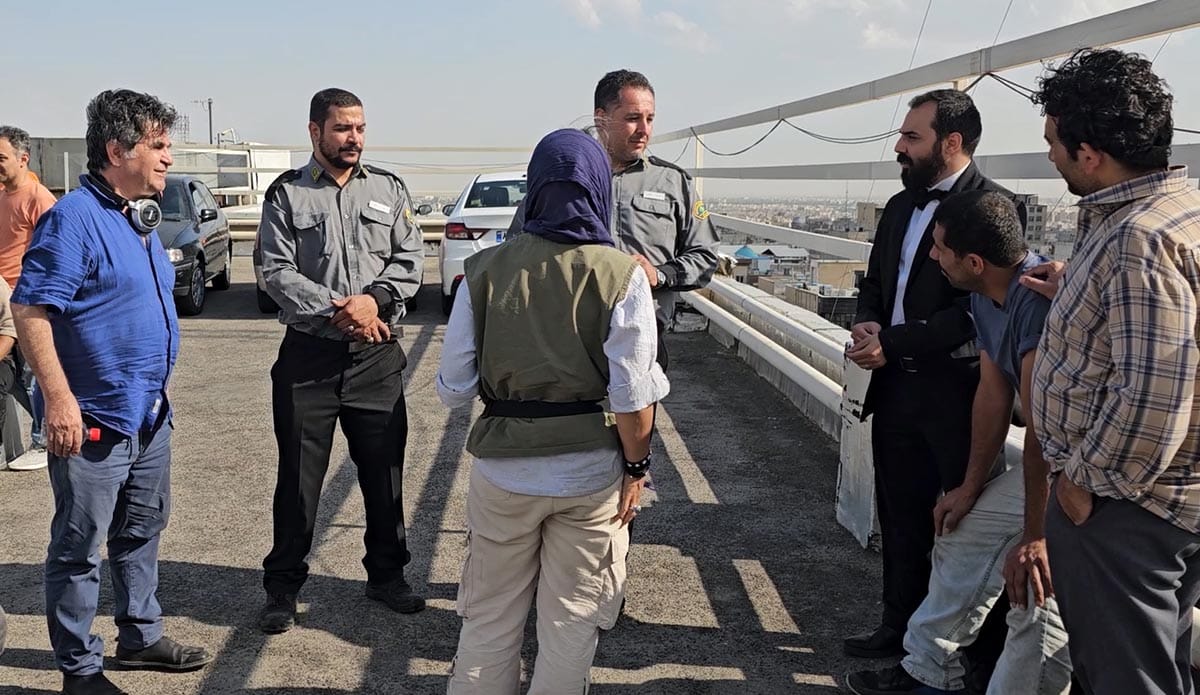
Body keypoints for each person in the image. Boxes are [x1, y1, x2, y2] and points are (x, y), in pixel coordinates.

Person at [438, 128, 669, 693]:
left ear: (534, 189)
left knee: (489, 617)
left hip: (504, 472)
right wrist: (636, 470)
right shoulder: (622, 275)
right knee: (571, 622)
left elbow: (453, 388)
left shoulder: (482, 270)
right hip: (590, 472)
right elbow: (633, 399)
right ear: (599, 188)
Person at [11, 89, 212, 695]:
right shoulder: (73, 219)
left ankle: (140, 636)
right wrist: (59, 401)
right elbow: (31, 310)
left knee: (141, 530)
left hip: (148, 415)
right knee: (80, 546)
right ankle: (80, 671)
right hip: (93, 418)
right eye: (158, 145)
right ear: (117, 149)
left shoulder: (137, 217)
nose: (168, 157)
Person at [847, 191, 1070, 695]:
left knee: (1039, 591)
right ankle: (930, 673)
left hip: (1087, 475)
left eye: (940, 248)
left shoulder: (1036, 304)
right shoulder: (987, 296)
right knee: (959, 529)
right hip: (1057, 466)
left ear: (974, 262)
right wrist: (969, 488)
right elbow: (993, 394)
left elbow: (1044, 433)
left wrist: (1035, 535)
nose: (932, 256)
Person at [1031, 47, 1200, 695]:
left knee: (1127, 679)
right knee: (1159, 663)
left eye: (1054, 143)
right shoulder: (1180, 211)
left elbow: (1155, 395)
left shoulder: (1138, 238)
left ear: (1089, 153)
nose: (1050, 156)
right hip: (1167, 500)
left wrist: (1083, 485)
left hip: (1125, 510)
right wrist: (1079, 290)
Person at [845, 89, 1024, 662]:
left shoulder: (995, 206)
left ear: (951, 142)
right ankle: (897, 629)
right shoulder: (901, 204)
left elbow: (975, 310)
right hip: (894, 387)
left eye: (911, 137)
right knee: (900, 516)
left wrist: (892, 342)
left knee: (966, 528)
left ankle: (969, 656)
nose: (899, 147)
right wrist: (868, 322)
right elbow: (876, 281)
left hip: (959, 395)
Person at [256, 87, 425, 633]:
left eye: (360, 128)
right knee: (299, 481)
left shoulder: (388, 189)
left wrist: (373, 301)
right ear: (315, 132)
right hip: (309, 358)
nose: (354, 138)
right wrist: (343, 310)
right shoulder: (286, 194)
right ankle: (283, 587)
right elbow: (276, 271)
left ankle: (387, 576)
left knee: (384, 473)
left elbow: (410, 259)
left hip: (376, 357)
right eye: (342, 128)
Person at [510, 69, 719, 369]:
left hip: (643, 340)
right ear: (601, 119)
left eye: (650, 118)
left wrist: (660, 275)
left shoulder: (673, 182)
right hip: (567, 342)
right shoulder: (563, 178)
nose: (644, 130)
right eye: (633, 118)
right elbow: (517, 248)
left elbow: (705, 255)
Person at [0, 125, 54, 464]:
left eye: (1, 158)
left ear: (23, 159)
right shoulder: (2, 197)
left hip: (26, 299)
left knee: (35, 372)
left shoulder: (38, 198)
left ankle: (43, 441)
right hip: (2, 299)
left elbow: (53, 251)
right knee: (14, 375)